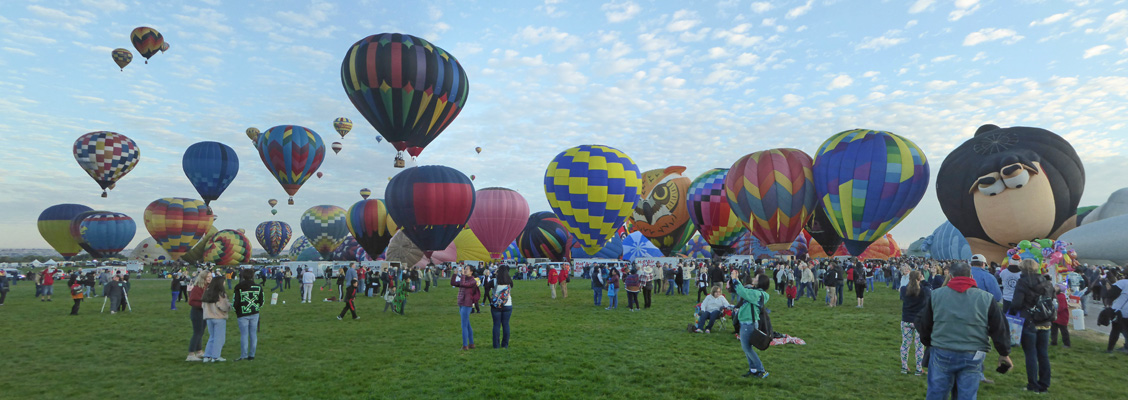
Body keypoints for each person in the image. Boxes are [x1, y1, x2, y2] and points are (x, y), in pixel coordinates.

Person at [917, 262, 1012, 399]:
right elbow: (999, 327)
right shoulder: (986, 298)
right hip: (972, 353)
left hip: (942, 350)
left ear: (950, 276)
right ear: (971, 276)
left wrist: (928, 342)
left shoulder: (936, 295)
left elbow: (924, 323)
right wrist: (1004, 353)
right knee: (967, 395)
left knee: (937, 393)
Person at [1009, 258, 1055, 393]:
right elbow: (1052, 300)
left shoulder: (1022, 282)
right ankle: (1044, 384)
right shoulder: (1047, 282)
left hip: (1028, 321)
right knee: (1043, 353)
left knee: (1030, 354)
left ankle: (1033, 385)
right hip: (1045, 321)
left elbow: (1016, 303)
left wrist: (1011, 312)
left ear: (1022, 269)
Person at [730, 269, 770, 379]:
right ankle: (753, 370)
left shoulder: (757, 294)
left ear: (760, 282)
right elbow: (745, 290)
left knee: (747, 348)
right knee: (747, 348)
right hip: (747, 323)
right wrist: (737, 279)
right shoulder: (757, 293)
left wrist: (734, 279)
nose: (753, 279)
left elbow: (743, 292)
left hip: (748, 324)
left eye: (756, 278)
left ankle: (761, 370)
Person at [899, 270, 930, 375]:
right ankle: (918, 369)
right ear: (919, 278)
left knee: (905, 344)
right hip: (919, 322)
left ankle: (904, 367)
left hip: (906, 320)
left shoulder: (904, 290)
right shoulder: (924, 291)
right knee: (919, 346)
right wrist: (924, 281)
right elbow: (930, 290)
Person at [233, 269, 263, 361]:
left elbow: (236, 301)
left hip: (242, 313)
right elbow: (261, 301)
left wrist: (236, 310)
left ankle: (244, 355)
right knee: (253, 334)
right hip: (254, 313)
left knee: (244, 335)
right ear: (253, 276)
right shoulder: (258, 287)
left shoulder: (238, 287)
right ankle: (252, 355)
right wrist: (256, 307)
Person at [201, 275, 230, 362]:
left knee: (212, 337)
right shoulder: (221, 294)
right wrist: (229, 306)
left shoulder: (207, 292)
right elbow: (223, 306)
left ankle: (207, 355)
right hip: (219, 317)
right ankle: (216, 356)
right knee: (219, 338)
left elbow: (203, 305)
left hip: (208, 317)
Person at [452, 265, 478, 350]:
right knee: (467, 325)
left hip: (467, 304)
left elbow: (463, 284)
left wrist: (462, 275)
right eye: (465, 269)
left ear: (471, 272)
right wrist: (455, 274)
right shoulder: (465, 279)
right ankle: (471, 343)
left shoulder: (472, 281)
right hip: (462, 303)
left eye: (467, 269)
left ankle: (465, 345)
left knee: (464, 325)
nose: (465, 270)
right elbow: (453, 283)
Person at [185, 271, 210, 361]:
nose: (210, 278)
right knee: (197, 333)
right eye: (208, 277)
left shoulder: (207, 287)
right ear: (203, 278)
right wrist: (204, 304)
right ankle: (191, 354)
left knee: (201, 332)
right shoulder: (197, 288)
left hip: (204, 312)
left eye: (211, 276)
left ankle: (199, 351)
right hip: (197, 312)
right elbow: (191, 301)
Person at [491, 265, 514, 349]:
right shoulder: (509, 281)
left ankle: (496, 345)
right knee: (506, 324)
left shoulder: (494, 281)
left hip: (496, 305)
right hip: (507, 304)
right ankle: (505, 344)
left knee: (496, 325)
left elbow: (486, 287)